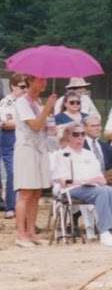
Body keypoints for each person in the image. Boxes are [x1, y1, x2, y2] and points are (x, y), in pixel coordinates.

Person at [51, 123, 112, 247]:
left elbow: (101, 178)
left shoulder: (89, 154)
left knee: (110, 190)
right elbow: (62, 180)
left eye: (82, 134)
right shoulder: (62, 154)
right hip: (71, 189)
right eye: (76, 134)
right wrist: (84, 181)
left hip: (92, 187)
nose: (80, 137)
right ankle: (104, 232)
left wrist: (96, 180)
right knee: (102, 192)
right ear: (68, 137)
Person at [13, 75, 57, 246]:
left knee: (37, 192)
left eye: (45, 80)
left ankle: (31, 232)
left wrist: (48, 116)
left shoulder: (38, 103)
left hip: (40, 150)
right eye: (40, 80)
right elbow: (35, 125)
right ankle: (21, 234)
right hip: (26, 150)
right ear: (30, 81)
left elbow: (43, 127)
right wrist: (48, 107)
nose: (44, 83)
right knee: (25, 193)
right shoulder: (22, 102)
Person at [0, 74, 26, 217]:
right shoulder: (7, 102)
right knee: (12, 173)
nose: (25, 89)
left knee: (23, 173)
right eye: (22, 87)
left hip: (24, 140)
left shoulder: (28, 102)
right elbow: (6, 124)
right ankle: (10, 206)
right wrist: (26, 123)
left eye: (26, 86)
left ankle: (20, 205)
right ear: (13, 86)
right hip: (10, 139)